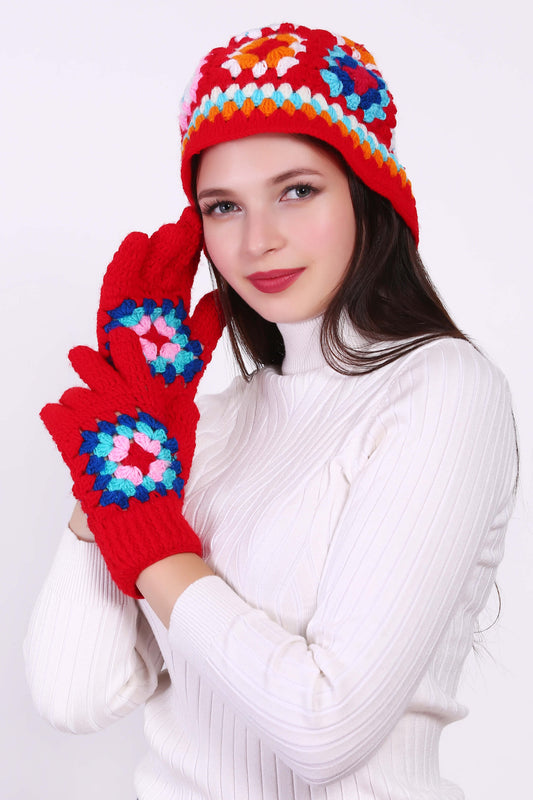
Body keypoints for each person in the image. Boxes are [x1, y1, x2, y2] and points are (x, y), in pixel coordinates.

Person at [24, 22, 518, 800]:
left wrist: (147, 537)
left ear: (367, 191)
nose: (259, 240)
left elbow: (325, 730)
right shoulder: (195, 429)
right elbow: (73, 694)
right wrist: (121, 464)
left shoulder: (441, 389)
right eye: (222, 207)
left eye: (296, 190)